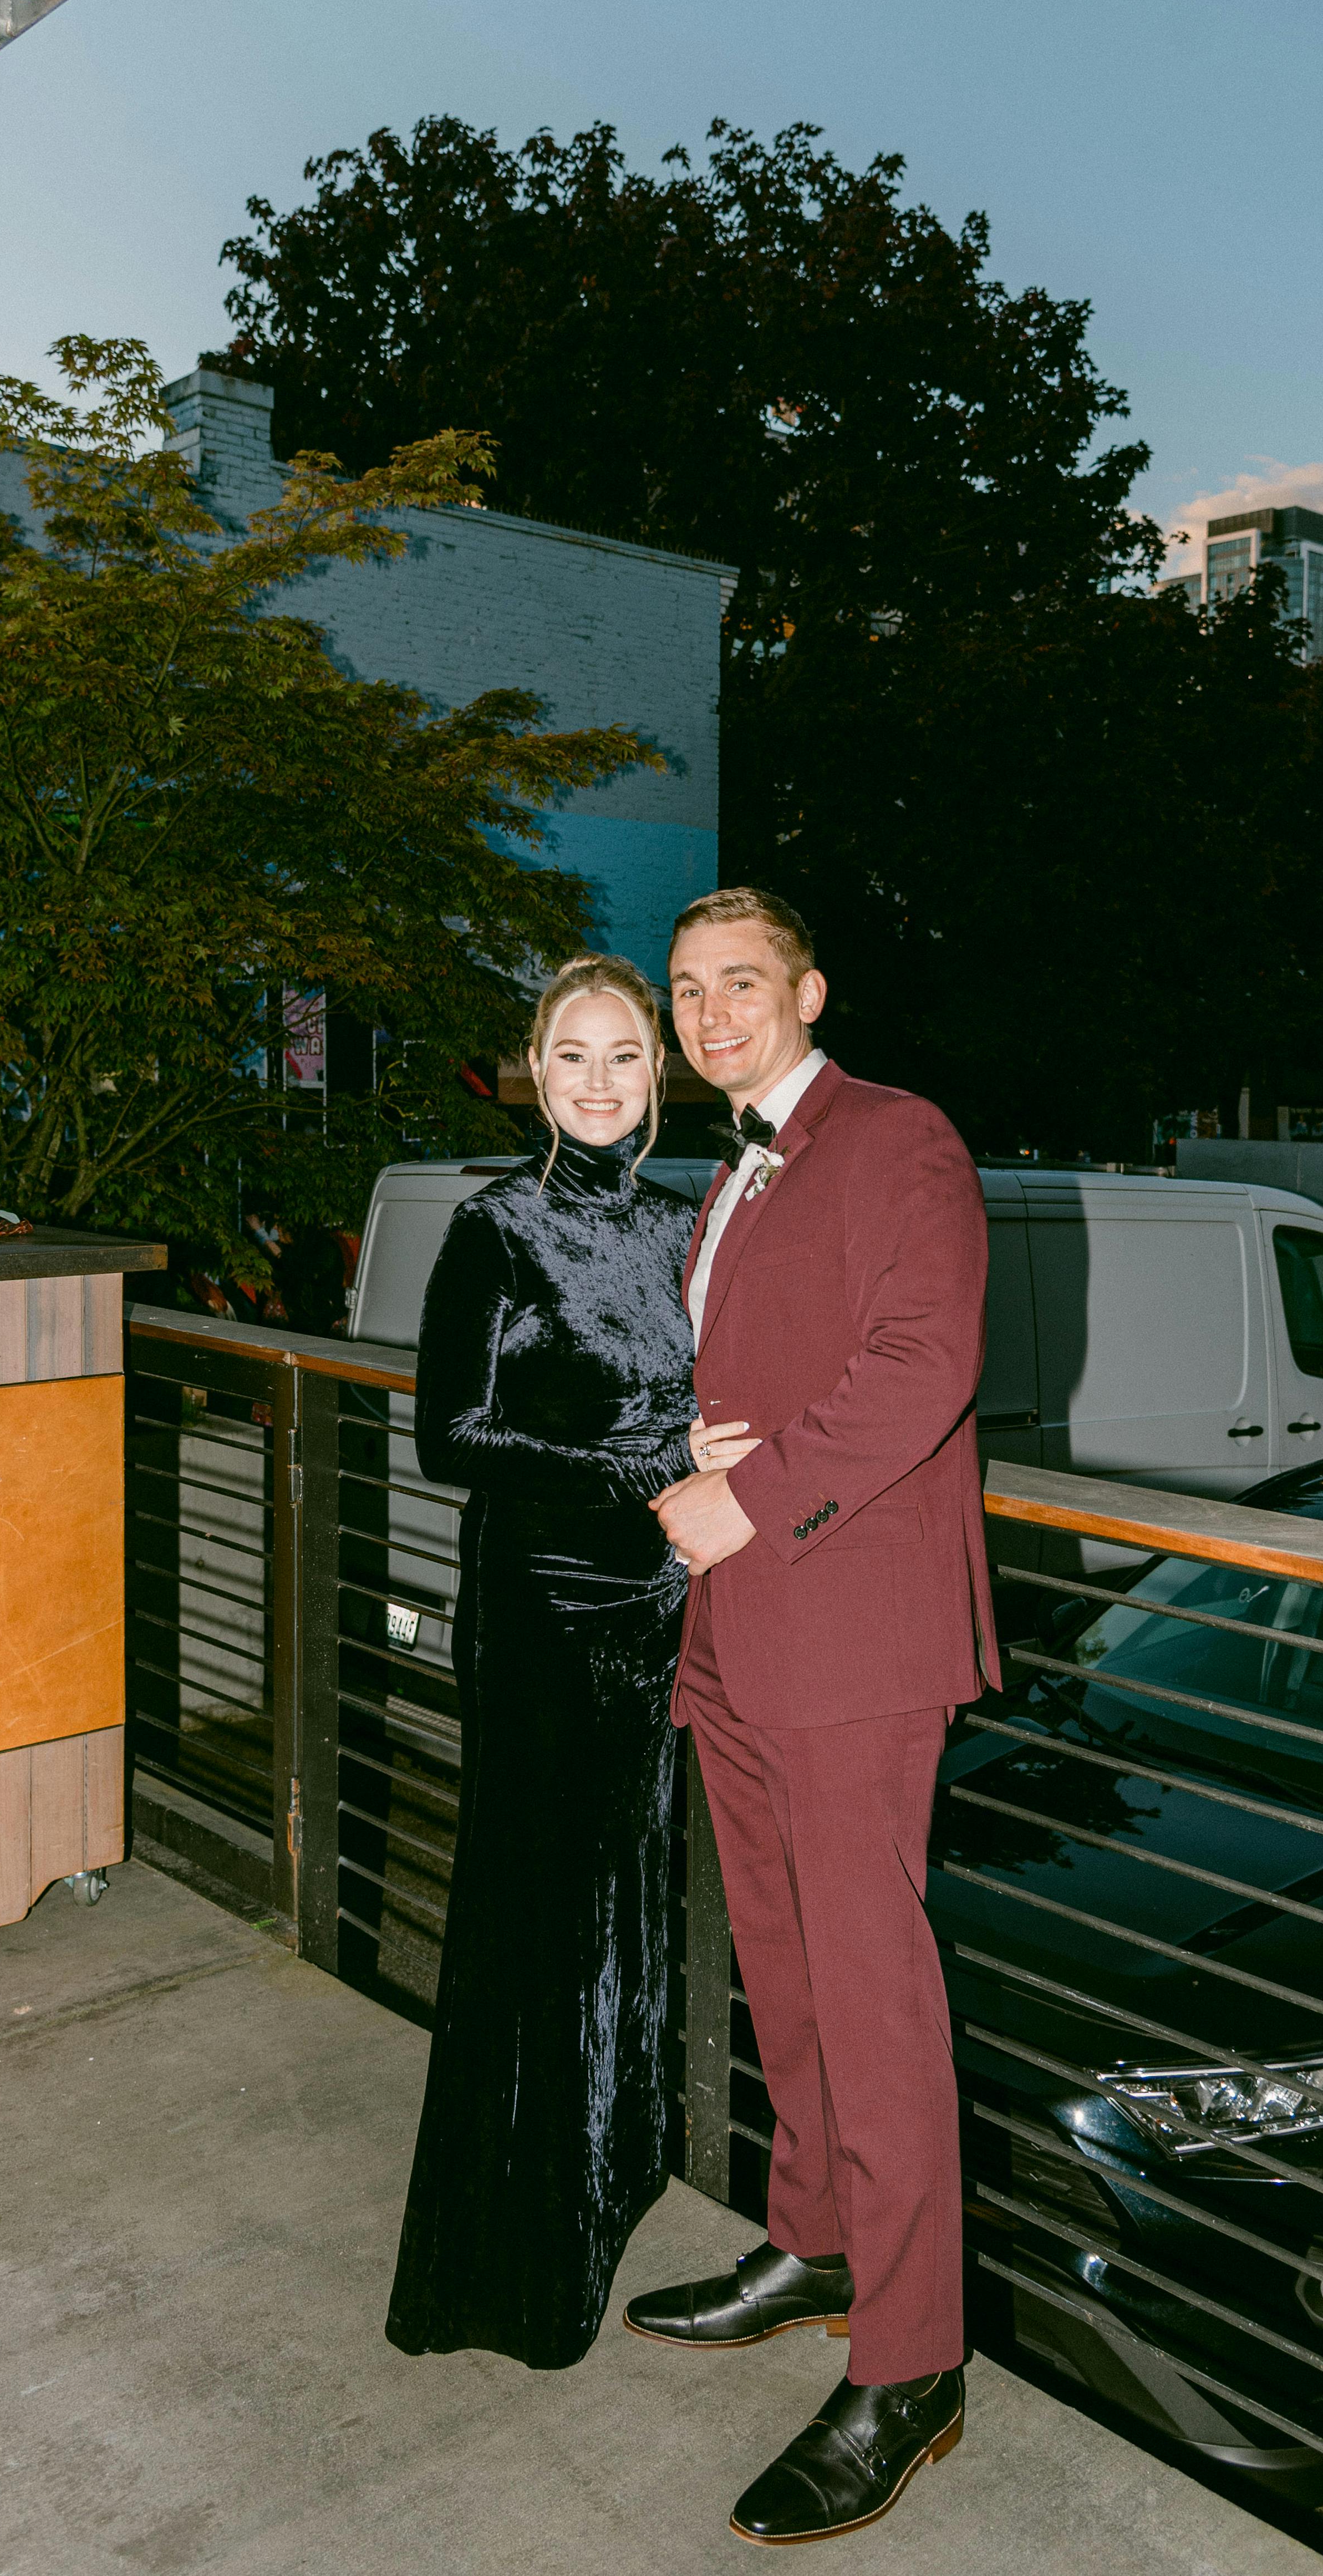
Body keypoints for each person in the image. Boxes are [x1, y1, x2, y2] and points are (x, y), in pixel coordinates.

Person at [628, 886, 999, 2547]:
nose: (710, 1012)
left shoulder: (898, 1136)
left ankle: (913, 2362)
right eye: (688, 988)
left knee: (875, 1996)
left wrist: (751, 1498)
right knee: (781, 1969)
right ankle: (819, 2237)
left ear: (808, 989)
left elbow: (924, 1364)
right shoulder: (729, 1171)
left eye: (739, 983)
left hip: (850, 1638)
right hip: (738, 1628)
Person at [385, 953, 750, 2369]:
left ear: (656, 1076)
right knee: (533, 1920)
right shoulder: (498, 1224)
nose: (597, 1082)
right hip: (540, 1613)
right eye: (570, 1057)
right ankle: (503, 2261)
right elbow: (448, 1441)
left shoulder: (684, 1226)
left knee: (629, 1913)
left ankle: (601, 2180)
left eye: (623, 1058)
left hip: (661, 1607)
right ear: (532, 1075)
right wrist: (644, 1459)